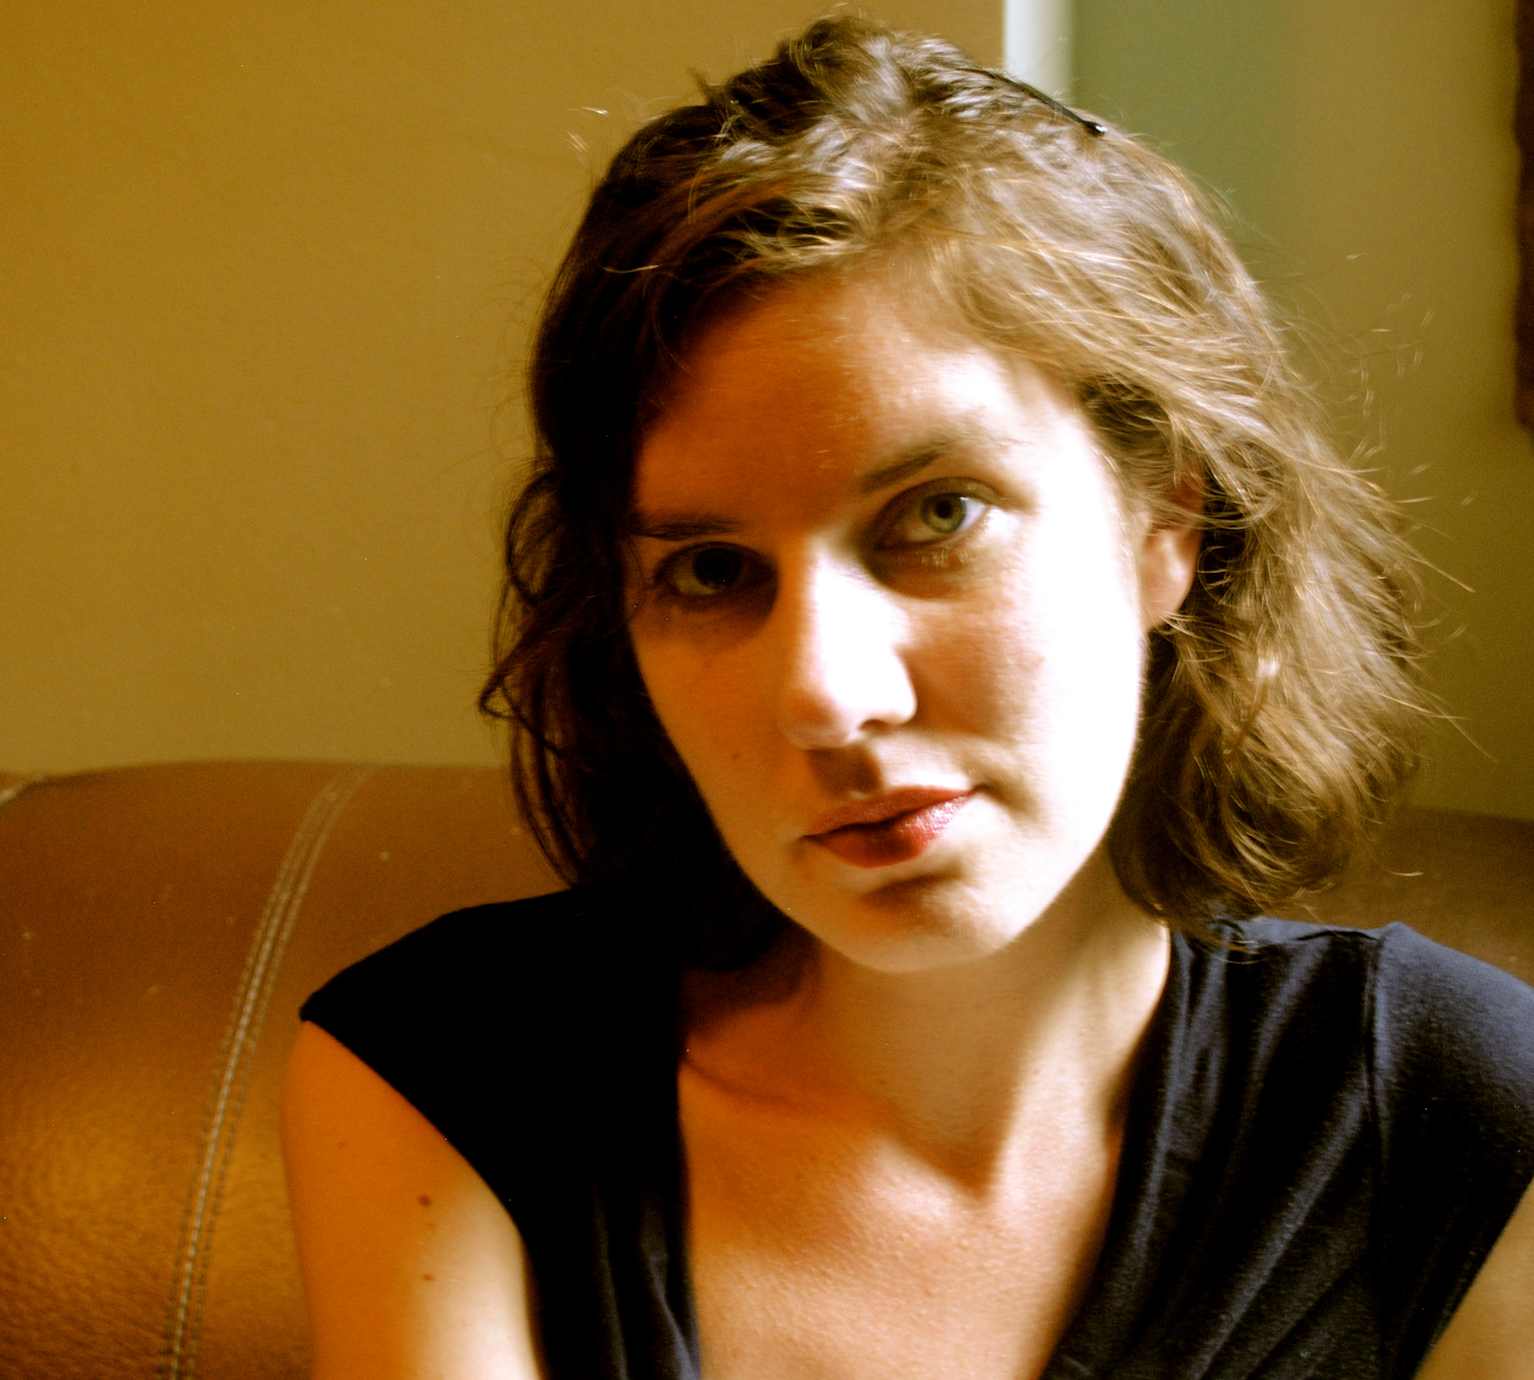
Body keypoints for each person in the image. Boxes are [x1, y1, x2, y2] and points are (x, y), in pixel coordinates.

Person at [281, 15, 1534, 1378]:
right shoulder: (448, 1072)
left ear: (1165, 520)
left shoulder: (1461, 1116)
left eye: (936, 515)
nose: (825, 695)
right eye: (711, 571)